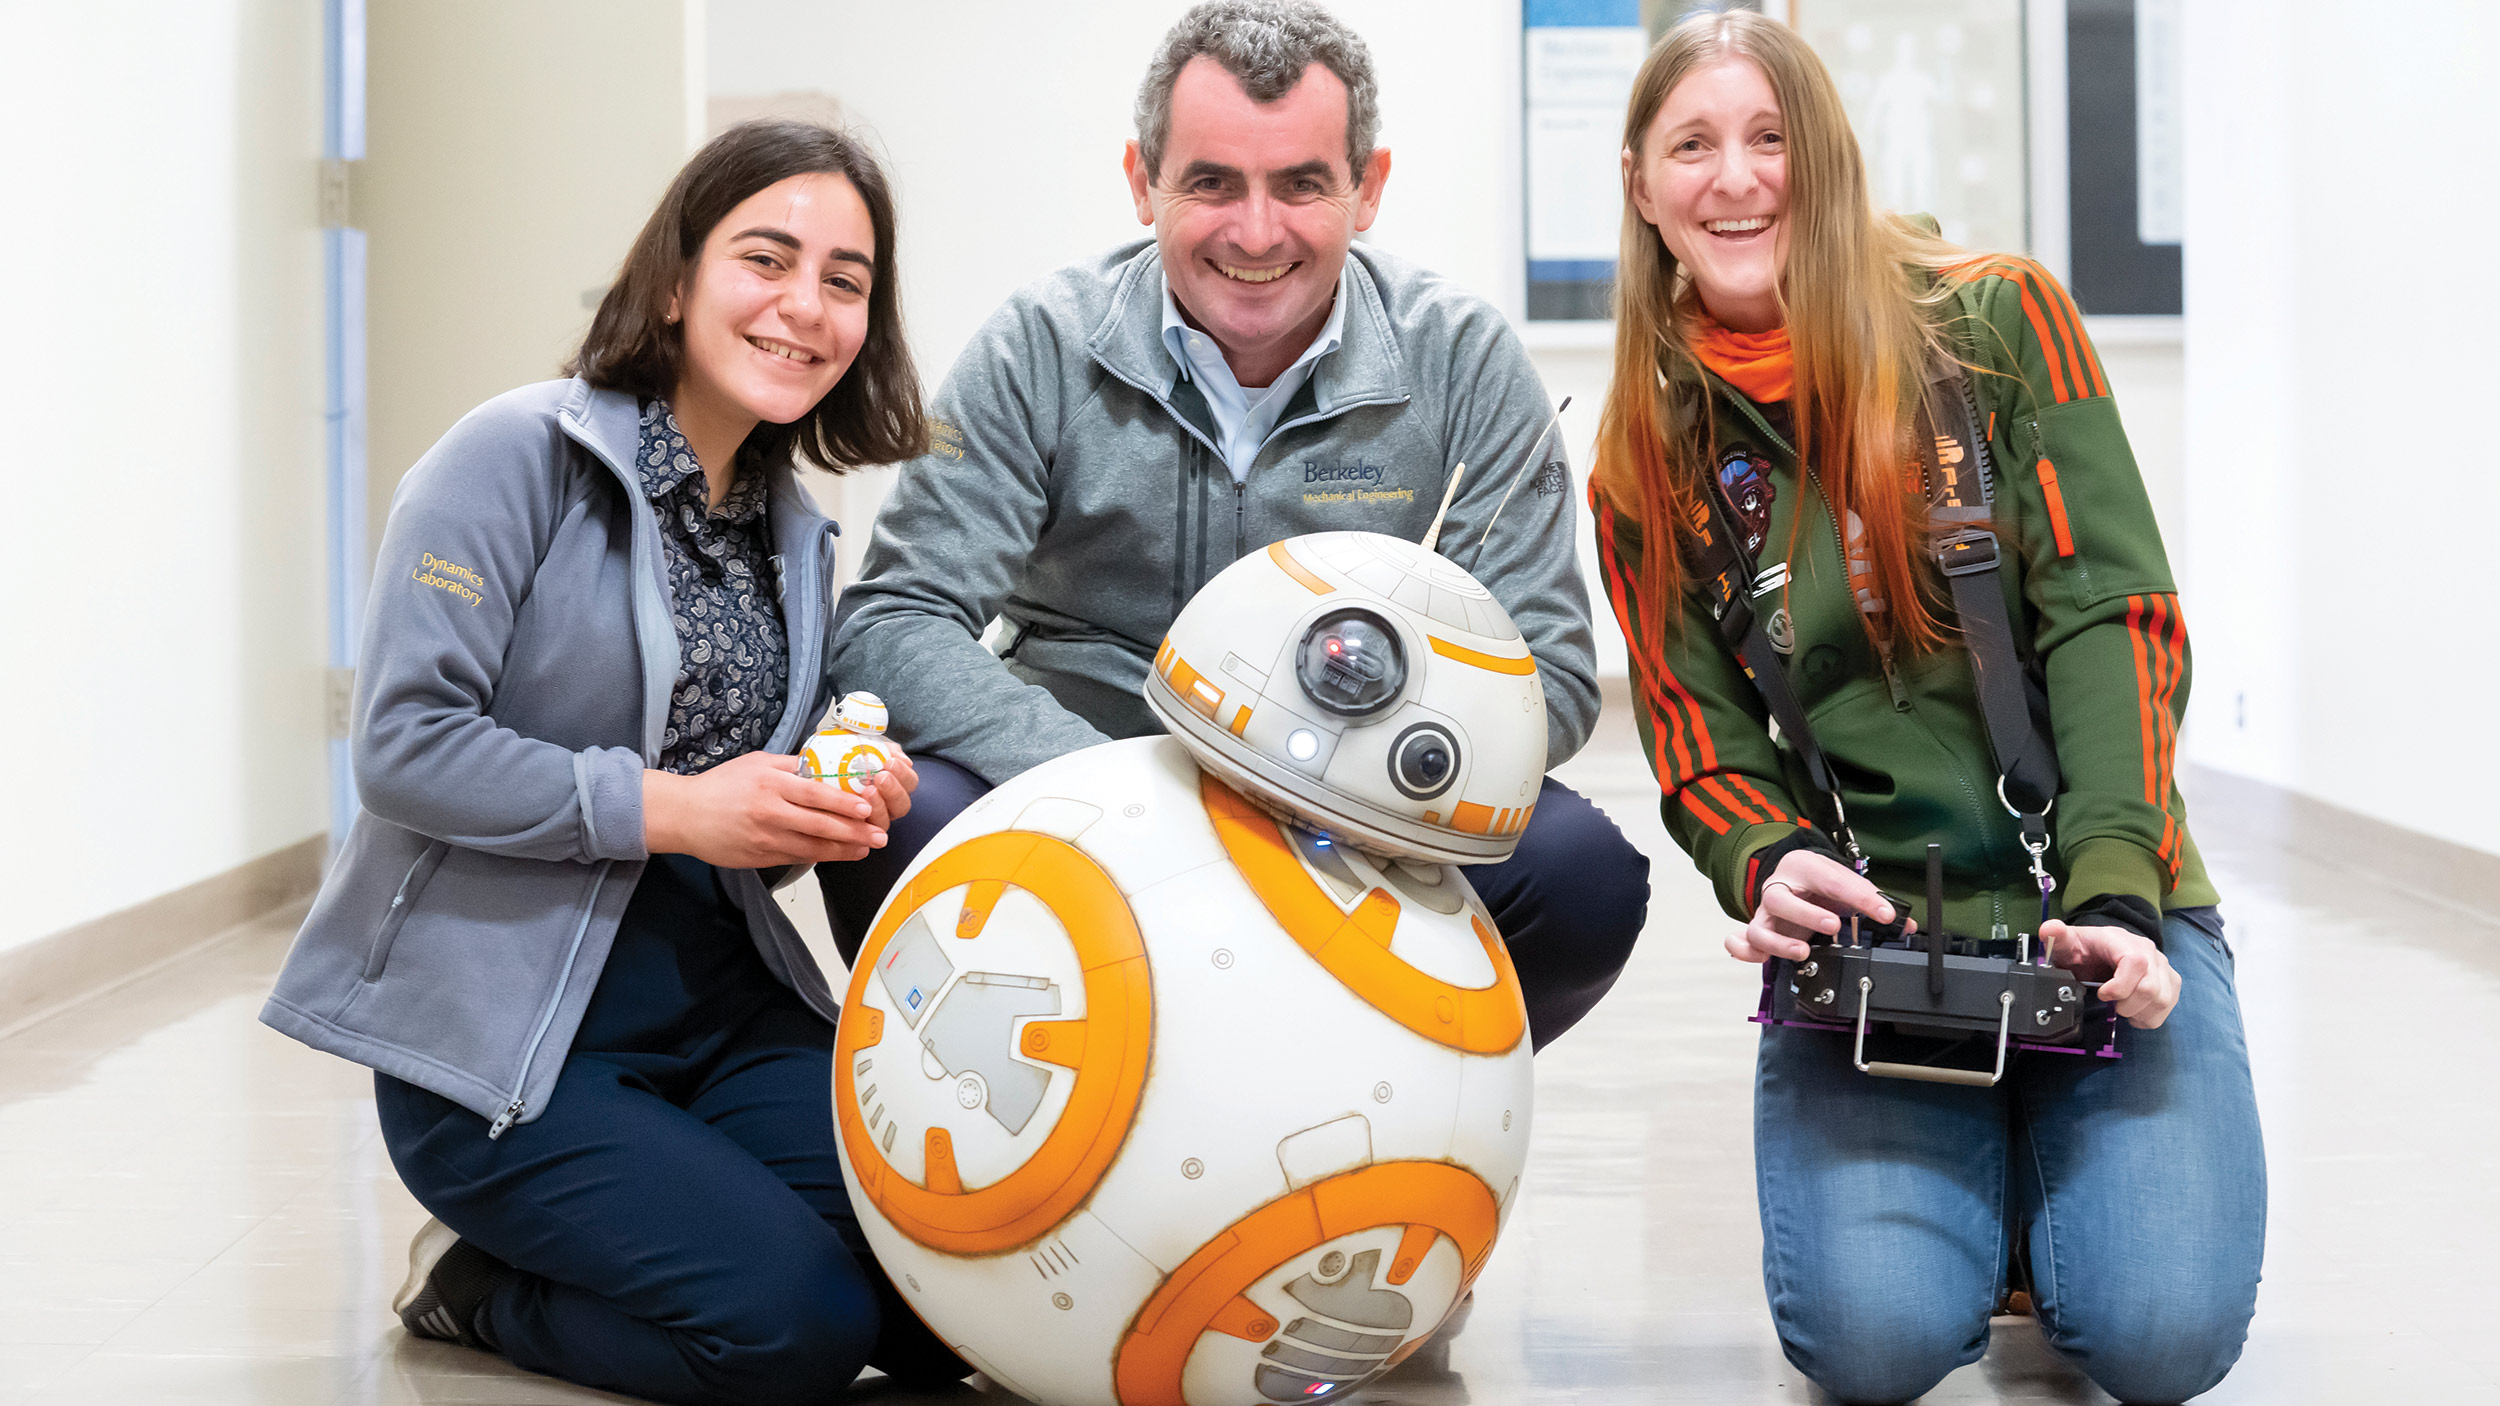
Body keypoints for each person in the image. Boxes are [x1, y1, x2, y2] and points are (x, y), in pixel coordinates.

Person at [1589, 12, 2262, 1404]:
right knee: (1875, 1345)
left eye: (1771, 138)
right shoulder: (1646, 457)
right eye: (1694, 146)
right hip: (1884, 941)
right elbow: (1693, 728)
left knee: (2157, 1337)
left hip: (2096, 899)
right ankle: (1996, 1191)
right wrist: (1766, 862)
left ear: (1825, 159)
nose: (1737, 179)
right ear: (1643, 188)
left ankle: (2040, 1185)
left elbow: (2111, 616)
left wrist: (2124, 891)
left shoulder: (2002, 319)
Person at [259, 121, 969, 1405]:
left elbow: (720, 752)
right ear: (677, 276)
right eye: (769, 258)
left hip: (715, 1001)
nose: (806, 307)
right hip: (510, 1041)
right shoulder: (512, 457)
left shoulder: (789, 526)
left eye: (847, 280)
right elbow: (405, 746)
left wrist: (829, 775)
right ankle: (482, 1287)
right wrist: (683, 810)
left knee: (954, 1293)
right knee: (794, 1328)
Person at [824, 0, 1648, 1050]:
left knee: (1577, 876)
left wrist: (1333, 797)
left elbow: (1553, 679)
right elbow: (895, 617)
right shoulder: (1039, 345)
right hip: (1082, 789)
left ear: (1367, 188)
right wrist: (1108, 794)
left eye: (1301, 183)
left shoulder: (1464, 362)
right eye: (1211, 182)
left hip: (1364, 810)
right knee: (890, 814)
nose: (1255, 233)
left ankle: (1346, 1085)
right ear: (1142, 181)